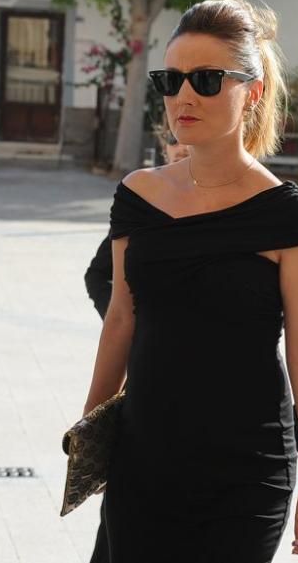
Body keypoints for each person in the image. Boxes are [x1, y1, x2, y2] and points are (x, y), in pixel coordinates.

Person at [83, 0, 298, 562]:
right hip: (143, 459)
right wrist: (89, 435)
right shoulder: (138, 195)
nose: (184, 96)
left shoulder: (290, 217)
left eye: (207, 79)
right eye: (171, 80)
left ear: (254, 91)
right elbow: (120, 320)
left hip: (245, 475)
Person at [83, 126, 189, 563]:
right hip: (148, 383)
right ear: (164, 149)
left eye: (188, 150)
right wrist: (136, 320)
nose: (182, 155)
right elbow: (97, 275)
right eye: (176, 149)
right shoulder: (145, 198)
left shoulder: (246, 201)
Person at [84, 124, 190, 318]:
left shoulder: (225, 200)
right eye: (173, 139)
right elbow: (96, 275)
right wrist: (123, 323)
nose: (181, 146)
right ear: (164, 145)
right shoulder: (141, 199)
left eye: (189, 138)